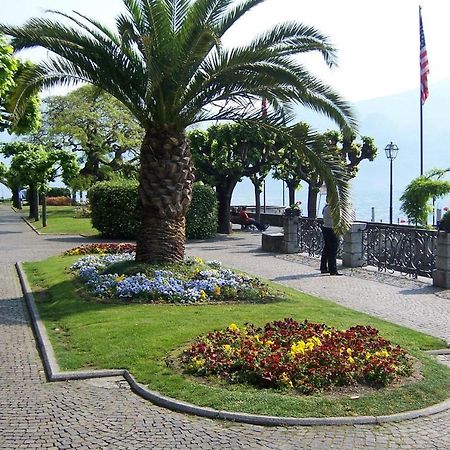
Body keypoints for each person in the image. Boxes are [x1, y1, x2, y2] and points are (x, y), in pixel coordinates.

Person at [320, 200, 342, 276]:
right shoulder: (332, 208)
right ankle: (332, 269)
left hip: (325, 228)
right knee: (332, 250)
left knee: (326, 249)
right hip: (332, 229)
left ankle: (323, 267)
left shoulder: (325, 208)